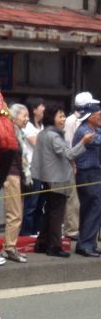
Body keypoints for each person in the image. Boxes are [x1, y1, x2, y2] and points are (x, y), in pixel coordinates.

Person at [31, 105, 94, 257]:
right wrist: (83, 142)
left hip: (47, 177)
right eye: (60, 116)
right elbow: (69, 154)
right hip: (57, 178)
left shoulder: (44, 133)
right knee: (57, 213)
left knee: (50, 212)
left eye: (64, 115)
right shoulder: (54, 136)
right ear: (52, 117)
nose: (63, 119)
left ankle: (42, 242)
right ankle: (54, 246)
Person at [63, 92, 96, 240]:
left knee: (83, 201)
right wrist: (73, 164)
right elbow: (70, 143)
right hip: (74, 162)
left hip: (81, 163)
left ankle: (83, 231)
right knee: (73, 200)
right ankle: (72, 229)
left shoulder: (86, 123)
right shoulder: (71, 121)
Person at [1, 103, 30, 263]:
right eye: (24, 116)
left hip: (18, 175)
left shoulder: (18, 132)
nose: (27, 119)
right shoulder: (10, 130)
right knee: (15, 214)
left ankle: (9, 245)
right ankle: (10, 248)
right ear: (14, 115)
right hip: (11, 175)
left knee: (17, 212)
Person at [72, 101, 101, 257]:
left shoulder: (94, 129)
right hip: (87, 173)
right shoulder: (84, 130)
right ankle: (85, 244)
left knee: (90, 208)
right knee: (94, 207)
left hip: (94, 172)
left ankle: (88, 243)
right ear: (90, 117)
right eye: (99, 115)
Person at [21, 97, 46, 235]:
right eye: (41, 106)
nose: (43, 108)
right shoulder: (28, 127)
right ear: (34, 109)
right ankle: (26, 232)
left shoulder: (40, 126)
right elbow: (38, 145)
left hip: (41, 168)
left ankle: (35, 230)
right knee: (31, 202)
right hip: (31, 168)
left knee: (39, 203)